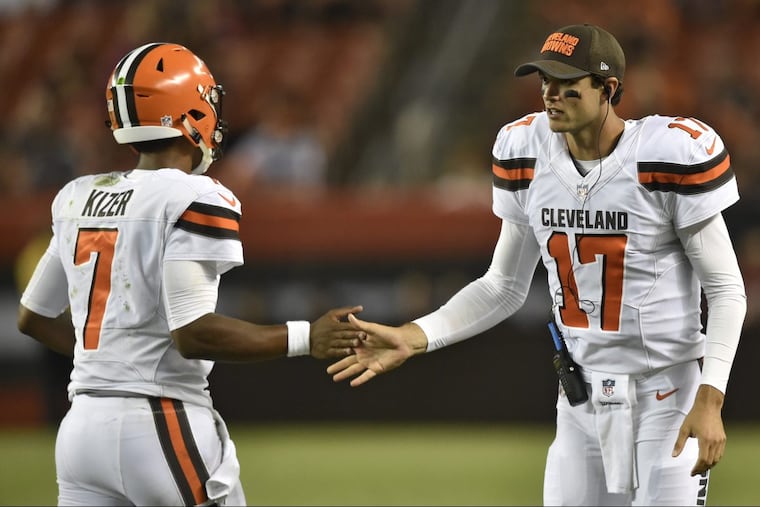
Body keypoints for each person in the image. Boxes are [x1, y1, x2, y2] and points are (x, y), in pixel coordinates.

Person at [328, 24, 746, 506]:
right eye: (543, 81)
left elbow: (726, 290)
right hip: (581, 400)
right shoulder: (526, 151)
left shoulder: (667, 154)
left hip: (667, 396)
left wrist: (710, 398)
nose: (550, 94)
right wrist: (413, 335)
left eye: (567, 84)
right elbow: (503, 285)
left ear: (607, 90)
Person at [16, 42, 363, 506]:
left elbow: (32, 317)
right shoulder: (194, 196)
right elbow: (192, 332)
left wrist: (112, 359)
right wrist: (306, 336)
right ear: (187, 112)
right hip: (158, 421)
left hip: (81, 429)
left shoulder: (78, 196)